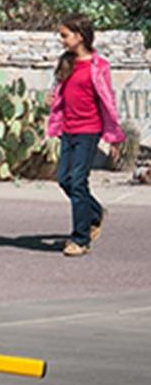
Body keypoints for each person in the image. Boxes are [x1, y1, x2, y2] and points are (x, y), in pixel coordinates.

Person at [48, 15, 126, 258]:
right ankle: (95, 213)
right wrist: (52, 103)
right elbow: (61, 92)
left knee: (78, 181)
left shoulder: (99, 65)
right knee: (64, 180)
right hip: (68, 129)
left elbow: (108, 101)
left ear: (80, 36)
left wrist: (114, 136)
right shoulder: (66, 62)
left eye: (65, 35)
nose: (61, 40)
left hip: (89, 131)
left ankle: (81, 239)